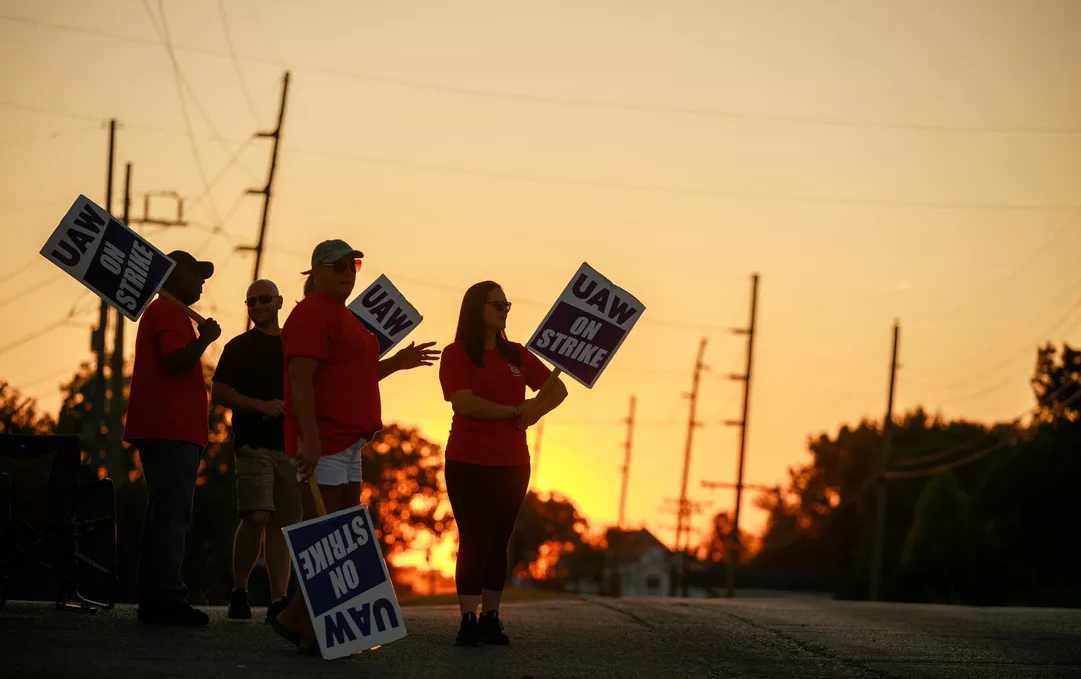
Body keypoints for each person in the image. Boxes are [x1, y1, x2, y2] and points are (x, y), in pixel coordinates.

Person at [270, 239, 440, 653]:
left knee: (343, 536)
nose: (349, 271)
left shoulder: (341, 315)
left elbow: (351, 376)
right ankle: (305, 627)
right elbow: (300, 380)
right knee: (326, 537)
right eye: (340, 265)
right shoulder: (310, 313)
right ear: (316, 272)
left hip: (348, 442)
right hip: (324, 441)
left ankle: (302, 622)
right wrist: (309, 439)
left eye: (355, 264)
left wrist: (396, 363)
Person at [438, 281, 568, 647]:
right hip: (467, 460)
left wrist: (534, 409)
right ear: (476, 308)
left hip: (512, 463)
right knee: (474, 535)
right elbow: (464, 402)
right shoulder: (457, 353)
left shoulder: (518, 355)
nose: (505, 309)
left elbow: (557, 390)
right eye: (497, 303)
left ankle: (490, 617)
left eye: (507, 303)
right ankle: (467, 619)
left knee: (499, 538)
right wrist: (514, 411)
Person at [123, 250, 220, 626]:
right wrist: (205, 339)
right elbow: (175, 361)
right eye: (196, 274)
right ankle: (166, 597)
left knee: (162, 514)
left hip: (169, 431)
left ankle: (154, 597)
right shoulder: (167, 310)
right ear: (174, 273)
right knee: (172, 516)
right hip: (169, 430)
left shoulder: (170, 312)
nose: (201, 281)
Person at [210, 279, 298, 622]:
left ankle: (278, 599)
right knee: (256, 516)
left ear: (279, 302)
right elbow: (219, 392)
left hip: (290, 447)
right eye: (251, 302)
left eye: (264, 300)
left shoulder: (294, 346)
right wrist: (259, 405)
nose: (258, 306)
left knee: (281, 524)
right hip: (253, 443)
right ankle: (240, 589)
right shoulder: (239, 347)